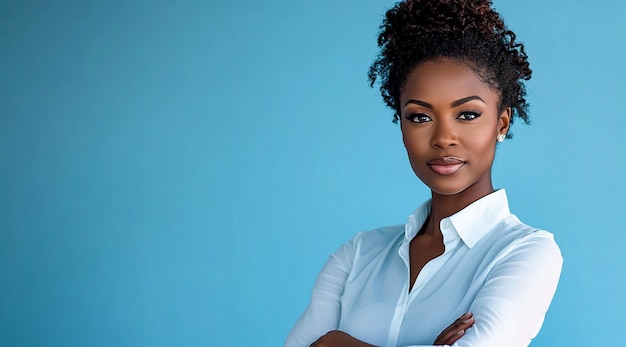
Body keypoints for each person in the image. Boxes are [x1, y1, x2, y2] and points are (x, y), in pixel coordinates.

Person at [284, 0, 563, 346]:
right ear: (402, 127)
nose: (444, 138)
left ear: (501, 123)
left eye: (467, 114)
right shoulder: (357, 255)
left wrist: (337, 343)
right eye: (420, 116)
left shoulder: (526, 252)